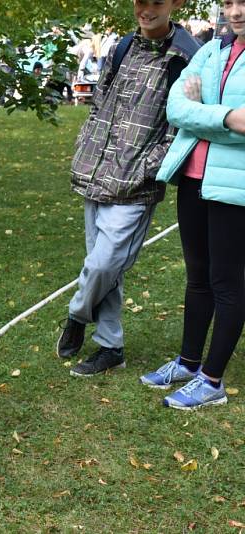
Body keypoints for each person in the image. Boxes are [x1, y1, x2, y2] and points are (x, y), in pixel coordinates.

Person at [56, 0, 200, 377]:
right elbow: (100, 103)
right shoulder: (121, 47)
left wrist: (147, 169)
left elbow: (184, 126)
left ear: (176, 4)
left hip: (136, 185)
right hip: (96, 173)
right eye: (140, 1)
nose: (146, 9)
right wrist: (87, 146)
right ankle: (110, 347)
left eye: (156, 2)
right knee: (107, 270)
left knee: (103, 264)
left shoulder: (185, 57)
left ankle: (76, 314)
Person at [140, 0, 245, 409]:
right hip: (195, 177)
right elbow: (175, 107)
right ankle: (187, 362)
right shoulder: (213, 49)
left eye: (242, 2)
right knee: (197, 276)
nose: (235, 12)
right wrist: (226, 116)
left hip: (234, 187)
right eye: (229, 3)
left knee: (228, 283)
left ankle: (212, 380)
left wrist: (201, 111)